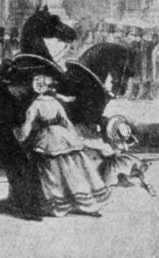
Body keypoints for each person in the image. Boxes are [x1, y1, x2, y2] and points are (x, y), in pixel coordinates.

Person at [13, 75, 111, 217]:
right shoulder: (56, 102)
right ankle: (85, 202)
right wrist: (74, 137)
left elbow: (28, 124)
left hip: (47, 138)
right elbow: (66, 121)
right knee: (73, 169)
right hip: (62, 135)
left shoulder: (35, 104)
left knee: (52, 172)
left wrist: (21, 138)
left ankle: (59, 205)